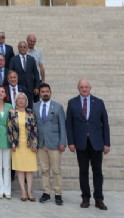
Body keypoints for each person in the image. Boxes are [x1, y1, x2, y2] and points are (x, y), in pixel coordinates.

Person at [66, 79, 110, 210]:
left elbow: (105, 124)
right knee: (83, 171)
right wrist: (71, 142)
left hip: (96, 143)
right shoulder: (72, 103)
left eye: (86, 87)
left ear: (90, 88)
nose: (84, 89)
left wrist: (106, 143)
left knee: (97, 172)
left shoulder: (99, 103)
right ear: (78, 89)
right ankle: (85, 198)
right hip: (81, 143)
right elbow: (69, 124)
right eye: (81, 87)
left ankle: (99, 199)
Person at [33, 83, 66, 205]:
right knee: (44, 170)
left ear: (50, 93)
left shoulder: (57, 107)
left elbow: (63, 126)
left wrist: (63, 142)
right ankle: (46, 192)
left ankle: (58, 193)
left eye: (47, 91)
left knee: (56, 170)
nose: (45, 93)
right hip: (41, 144)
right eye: (42, 91)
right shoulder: (35, 106)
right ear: (40, 93)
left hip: (55, 144)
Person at [8, 92, 38, 201]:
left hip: (29, 146)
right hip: (17, 145)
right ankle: (23, 192)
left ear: (26, 101)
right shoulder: (11, 112)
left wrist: (34, 144)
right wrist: (12, 143)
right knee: (20, 169)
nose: (21, 100)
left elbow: (35, 129)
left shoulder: (31, 113)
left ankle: (30, 191)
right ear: (16, 101)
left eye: (23, 99)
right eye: (19, 99)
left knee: (29, 170)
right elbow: (9, 129)